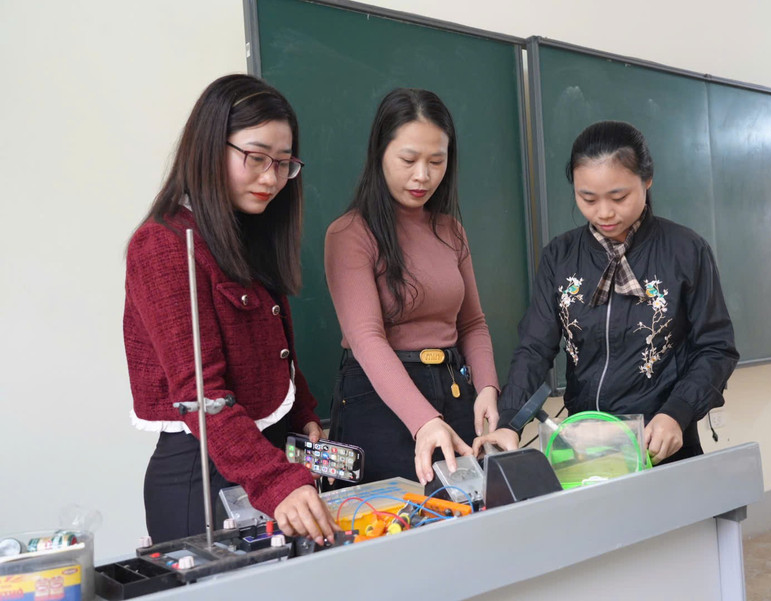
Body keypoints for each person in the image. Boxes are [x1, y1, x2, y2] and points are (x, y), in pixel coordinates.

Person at [124, 74, 337, 544]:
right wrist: (276, 481)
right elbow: (201, 395)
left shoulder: (245, 236)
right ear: (208, 146)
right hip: (204, 478)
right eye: (256, 158)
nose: (271, 178)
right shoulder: (162, 245)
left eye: (283, 164)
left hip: (270, 461)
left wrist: (303, 413)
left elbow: (276, 349)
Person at [474, 121, 739, 465]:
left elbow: (716, 348)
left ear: (647, 180)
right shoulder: (561, 255)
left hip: (660, 443)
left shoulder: (685, 251)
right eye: (587, 198)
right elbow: (535, 348)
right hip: (583, 446)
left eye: (619, 197)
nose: (604, 212)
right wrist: (510, 421)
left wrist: (677, 412)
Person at [324, 88, 500, 486]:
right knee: (392, 526)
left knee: (465, 517)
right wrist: (423, 421)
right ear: (379, 153)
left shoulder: (450, 230)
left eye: (436, 162)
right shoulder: (350, 233)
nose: (423, 175)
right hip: (380, 398)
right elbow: (367, 339)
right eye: (408, 160)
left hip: (454, 389)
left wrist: (487, 388)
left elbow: (473, 323)